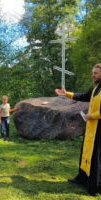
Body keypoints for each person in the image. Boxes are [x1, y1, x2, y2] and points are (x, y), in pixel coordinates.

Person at [55, 63, 101, 195]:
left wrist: (91, 115)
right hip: (91, 127)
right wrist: (66, 94)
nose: (93, 75)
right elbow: (83, 96)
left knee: (96, 156)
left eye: (96, 73)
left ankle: (95, 185)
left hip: (99, 129)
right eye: (93, 73)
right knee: (86, 153)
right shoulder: (96, 88)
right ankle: (82, 179)